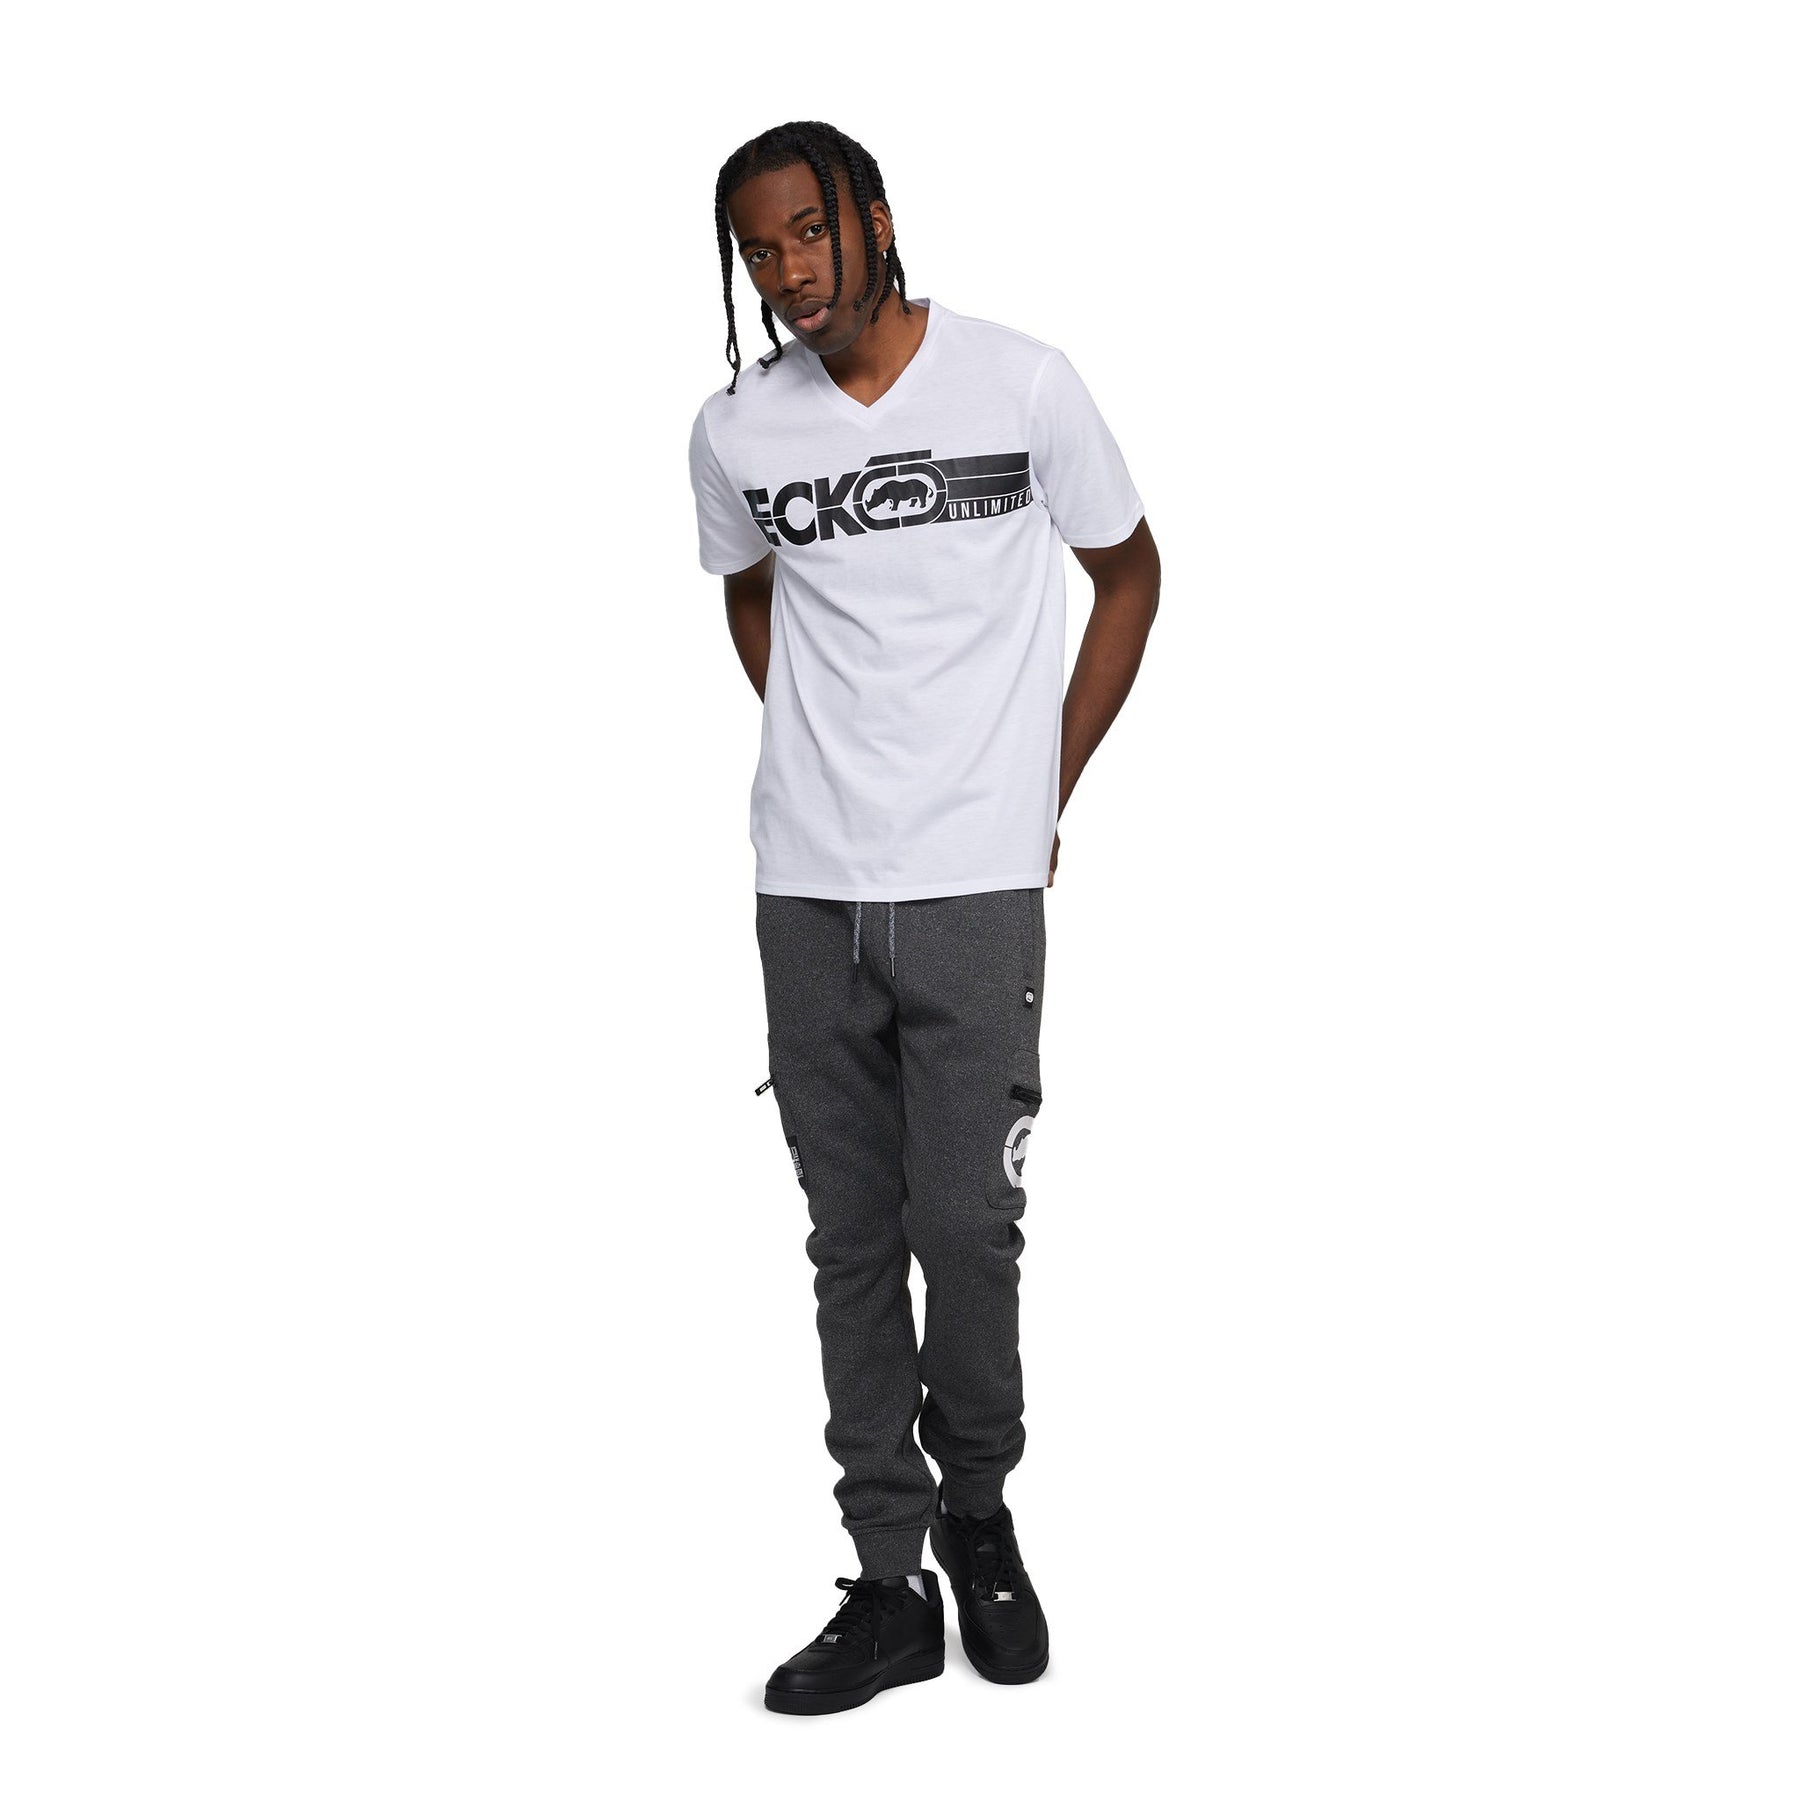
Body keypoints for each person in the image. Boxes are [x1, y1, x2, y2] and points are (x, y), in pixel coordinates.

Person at [687, 120, 1160, 1716]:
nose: (788, 269)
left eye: (808, 231)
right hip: (806, 886)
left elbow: (1132, 575)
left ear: (874, 219)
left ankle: (980, 1511)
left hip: (973, 883)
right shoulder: (735, 429)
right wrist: (822, 744)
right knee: (849, 1241)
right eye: (759, 249)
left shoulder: (1021, 385)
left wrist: (1043, 787)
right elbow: (750, 588)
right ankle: (889, 1579)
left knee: (966, 1229)